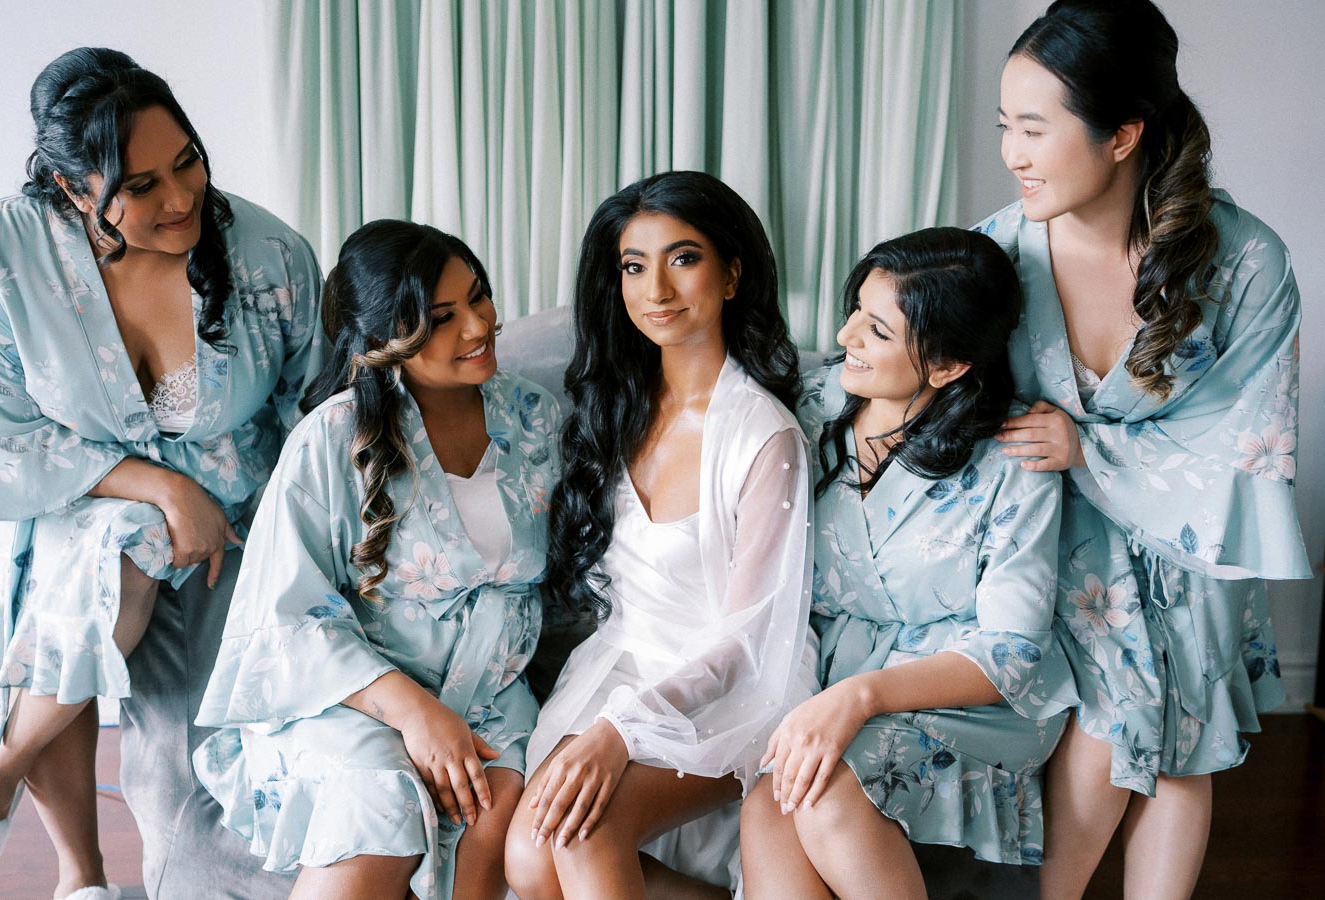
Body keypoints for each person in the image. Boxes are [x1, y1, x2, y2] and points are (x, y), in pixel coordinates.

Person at [0, 48, 324, 898]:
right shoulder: (0, 256)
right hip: (82, 493)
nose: (180, 200)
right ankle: (79, 876)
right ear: (70, 191)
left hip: (242, 506)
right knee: (105, 555)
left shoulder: (269, 255)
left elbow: (317, 417)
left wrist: (281, 541)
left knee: (221, 740)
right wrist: (163, 488)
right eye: (138, 187)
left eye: (187, 162)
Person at [983, 1, 1311, 895]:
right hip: (1052, 540)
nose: (1013, 153)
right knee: (1110, 722)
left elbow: (1248, 447)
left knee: (1181, 745)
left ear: (1122, 133)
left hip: (1188, 536)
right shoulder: (993, 257)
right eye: (1005, 126)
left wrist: (1088, 452)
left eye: (1036, 129)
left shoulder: (1246, 264)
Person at [193, 220, 559, 900]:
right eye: (441, 318)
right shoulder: (331, 439)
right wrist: (416, 714)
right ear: (382, 337)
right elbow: (286, 618)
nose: (478, 327)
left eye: (478, 298)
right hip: (353, 698)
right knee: (379, 801)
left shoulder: (536, 419)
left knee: (492, 814)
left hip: (492, 699)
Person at [503, 171, 815, 899]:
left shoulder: (766, 436)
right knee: (527, 859)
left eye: (683, 258)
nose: (656, 290)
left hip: (735, 685)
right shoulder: (617, 407)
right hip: (626, 664)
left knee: (585, 830)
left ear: (733, 272)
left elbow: (747, 642)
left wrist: (619, 734)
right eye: (634, 266)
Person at [740, 227, 1076, 898]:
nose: (843, 339)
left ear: (949, 365)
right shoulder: (807, 411)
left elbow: (1010, 651)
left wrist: (860, 697)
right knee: (768, 803)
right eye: (854, 313)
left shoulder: (1015, 454)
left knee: (824, 789)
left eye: (876, 330)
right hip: (835, 681)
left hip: (965, 695)